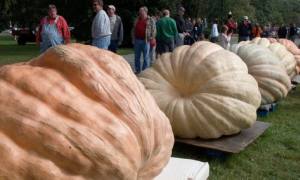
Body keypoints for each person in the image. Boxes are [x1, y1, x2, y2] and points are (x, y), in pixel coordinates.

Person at [132, 6, 156, 74]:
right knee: (137, 57)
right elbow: (133, 29)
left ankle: (144, 71)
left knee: (146, 57)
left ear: (145, 12)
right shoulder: (137, 19)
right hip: (137, 40)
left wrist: (152, 37)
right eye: (139, 11)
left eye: (141, 11)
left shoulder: (150, 20)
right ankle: (138, 70)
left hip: (146, 40)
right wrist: (133, 38)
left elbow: (154, 30)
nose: (139, 12)